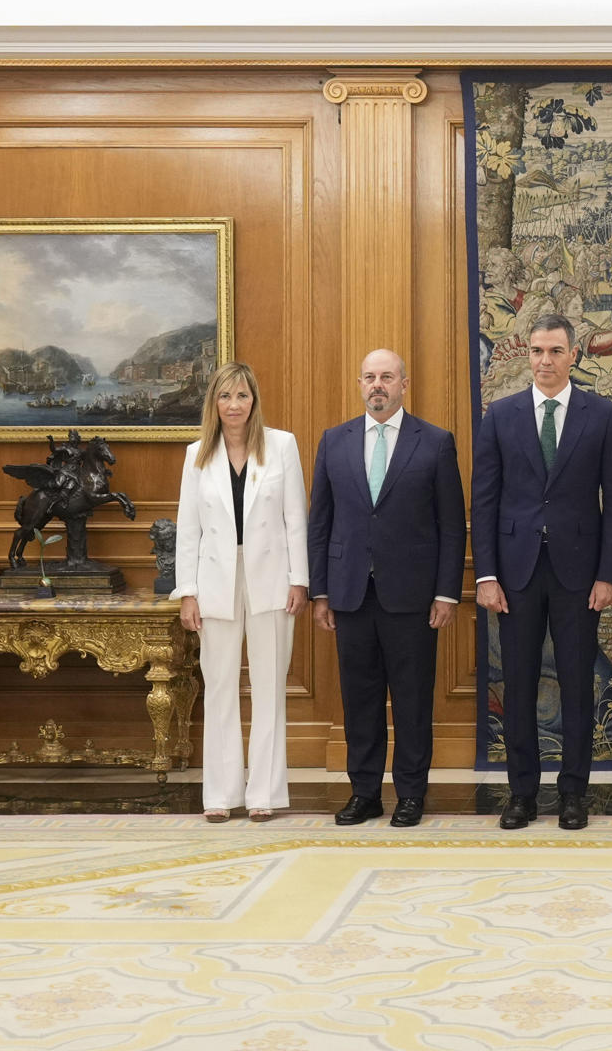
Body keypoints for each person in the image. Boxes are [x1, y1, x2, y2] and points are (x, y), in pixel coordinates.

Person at [472, 315, 612, 831]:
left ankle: (573, 794)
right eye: (537, 351)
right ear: (529, 356)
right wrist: (486, 575)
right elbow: (486, 500)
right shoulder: (500, 414)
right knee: (516, 684)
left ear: (574, 355)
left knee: (576, 684)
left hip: (579, 575)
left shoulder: (601, 414)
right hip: (515, 573)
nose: (544, 360)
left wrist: (609, 575)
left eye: (555, 351)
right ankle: (520, 794)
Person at [307, 348, 465, 829]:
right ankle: (365, 793)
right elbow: (320, 523)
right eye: (370, 377)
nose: (378, 385)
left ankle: (412, 794)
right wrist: (320, 591)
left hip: (414, 596)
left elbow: (452, 525)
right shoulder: (334, 441)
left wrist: (446, 592)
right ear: (360, 384)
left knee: (414, 699)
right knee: (360, 699)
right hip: (350, 592)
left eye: (387, 377)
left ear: (404, 384)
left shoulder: (435, 442)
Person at [170, 362, 308, 823]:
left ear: (254, 401)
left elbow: (296, 520)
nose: (234, 405)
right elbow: (188, 530)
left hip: (272, 579)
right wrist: (187, 592)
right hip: (215, 583)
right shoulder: (196, 455)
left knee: (269, 686)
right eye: (225, 396)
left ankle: (264, 793)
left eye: (242, 396)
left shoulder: (282, 446)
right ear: (214, 402)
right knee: (221, 685)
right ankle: (220, 794)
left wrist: (300, 581)